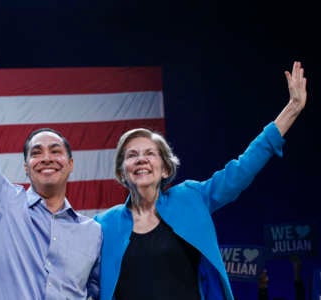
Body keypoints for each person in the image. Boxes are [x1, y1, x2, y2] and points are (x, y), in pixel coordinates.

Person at [94, 60, 307, 300]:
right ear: (122, 173)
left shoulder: (190, 198)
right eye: (132, 155)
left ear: (165, 169)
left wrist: (293, 108)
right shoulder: (103, 225)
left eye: (149, 154)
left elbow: (241, 170)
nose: (141, 159)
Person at [0, 23, 102, 299]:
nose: (46, 158)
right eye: (36, 153)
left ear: (71, 164)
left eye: (55, 151)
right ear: (26, 167)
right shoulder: (0, 200)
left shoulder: (94, 232)